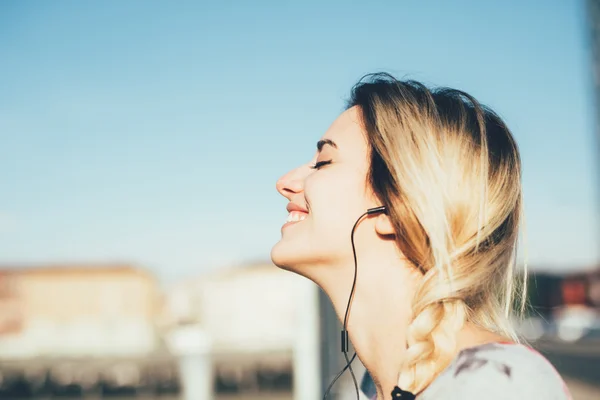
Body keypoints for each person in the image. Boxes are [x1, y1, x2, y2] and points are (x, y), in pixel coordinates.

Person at [270, 72, 572, 400]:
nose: (285, 181)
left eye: (324, 162)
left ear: (396, 206)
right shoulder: (376, 389)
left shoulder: (500, 385)